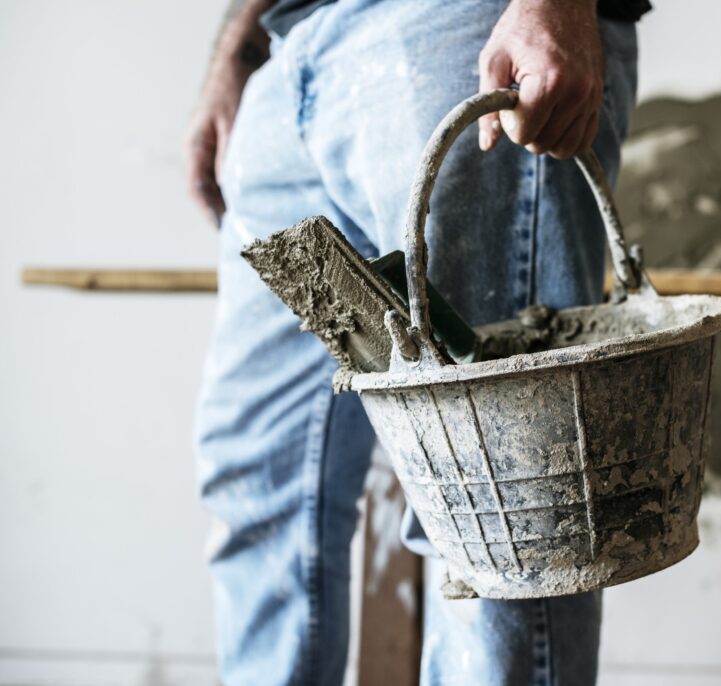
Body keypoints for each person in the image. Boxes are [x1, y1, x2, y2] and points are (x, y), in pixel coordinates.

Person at [186, 0, 647, 683]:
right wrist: (237, 47)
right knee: (260, 484)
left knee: (503, 519)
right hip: (289, 54)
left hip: (460, 30)